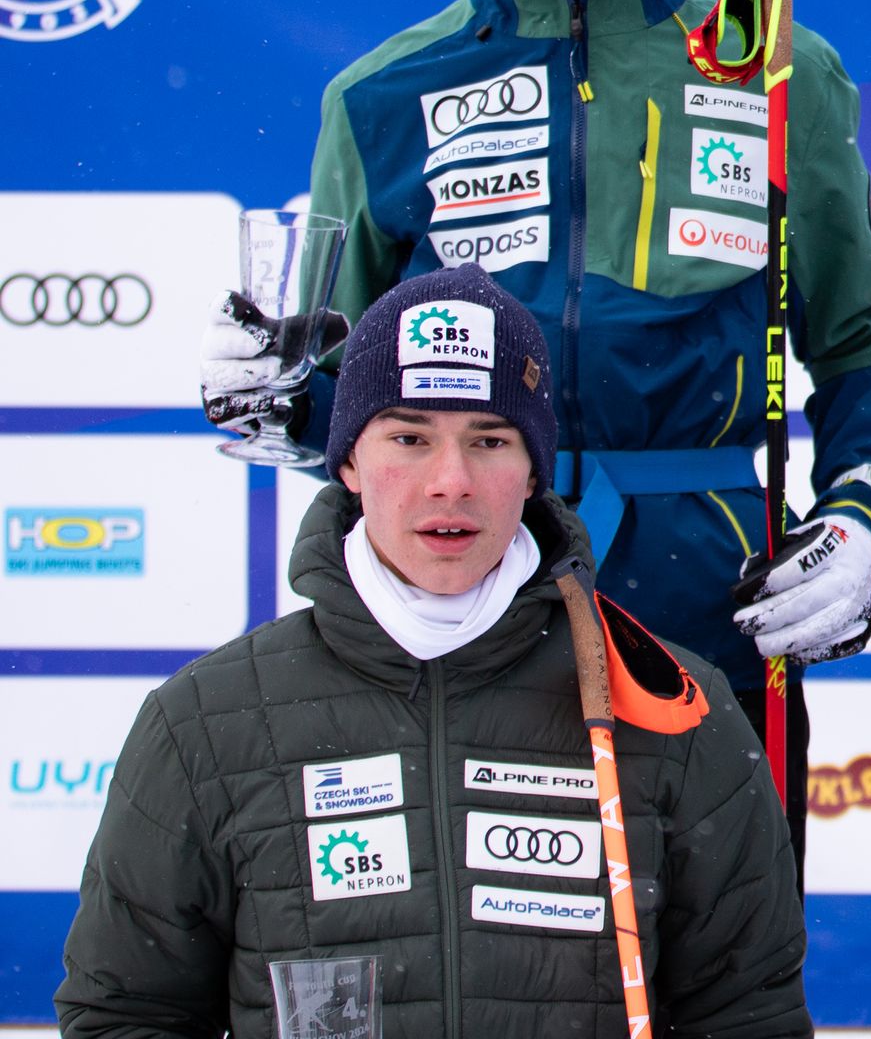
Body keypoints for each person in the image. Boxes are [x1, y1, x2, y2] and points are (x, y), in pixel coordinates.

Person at [195, 0, 871, 865]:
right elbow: (338, 386)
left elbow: (865, 345)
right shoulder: (382, 94)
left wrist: (859, 521)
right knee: (475, 959)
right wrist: (274, 395)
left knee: (719, 962)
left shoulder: (778, 64)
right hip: (460, 582)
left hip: (705, 599)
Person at [63, 268, 808, 1039]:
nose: (450, 482)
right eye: (410, 438)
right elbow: (124, 1016)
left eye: (489, 440)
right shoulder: (205, 724)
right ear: (347, 462)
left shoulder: (674, 709)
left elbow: (750, 1015)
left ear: (532, 472)